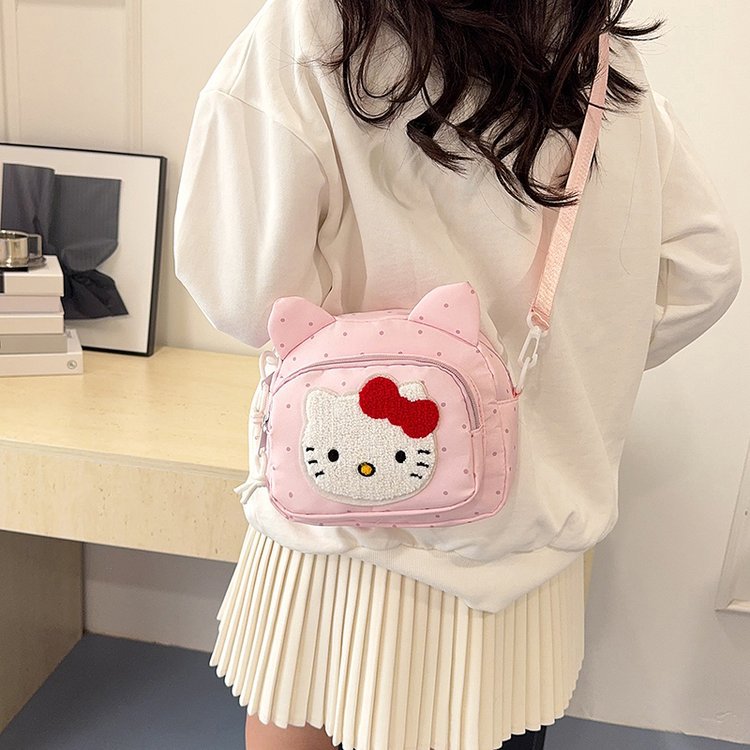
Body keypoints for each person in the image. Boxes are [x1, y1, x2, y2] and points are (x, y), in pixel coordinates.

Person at [172, 1, 742, 749]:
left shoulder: (315, 26)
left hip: (341, 526)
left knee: (303, 714)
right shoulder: (594, 51)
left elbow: (244, 291)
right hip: (524, 539)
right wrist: (570, 367)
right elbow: (704, 267)